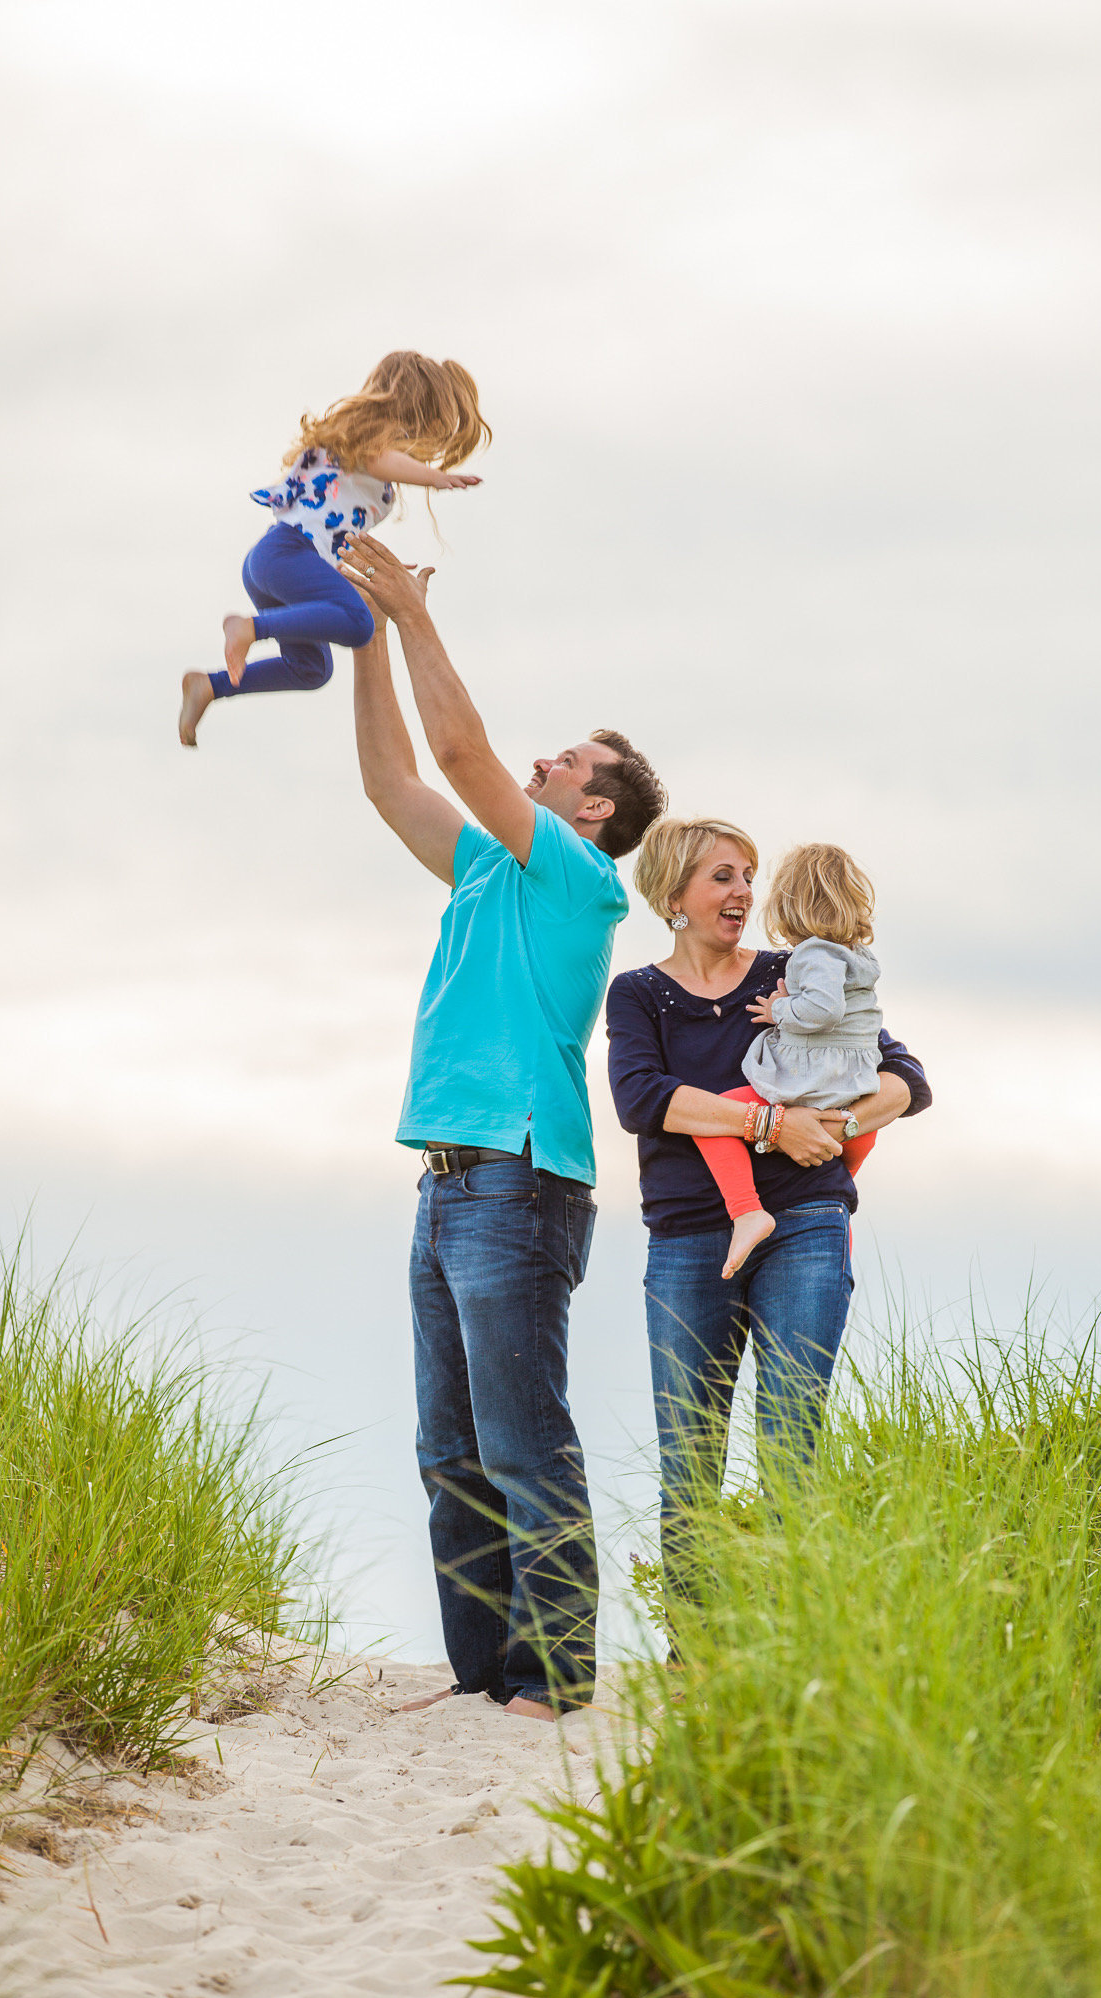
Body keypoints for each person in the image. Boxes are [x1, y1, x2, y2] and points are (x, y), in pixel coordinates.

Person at [341, 529, 666, 1720]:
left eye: (569, 758)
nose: (542, 759)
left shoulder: (582, 877)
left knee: (525, 1444)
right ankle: (485, 1674)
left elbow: (462, 748)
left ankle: (557, 1675)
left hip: (521, 1186)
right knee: (450, 1451)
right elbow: (392, 781)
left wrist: (414, 610)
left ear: (595, 805)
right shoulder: (488, 865)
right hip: (444, 1181)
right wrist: (364, 626)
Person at [605, 816, 930, 1611]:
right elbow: (640, 1099)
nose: (743, 891)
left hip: (804, 1223)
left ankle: (789, 1648)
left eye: (748, 875)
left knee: (791, 1441)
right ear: (672, 893)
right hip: (687, 1239)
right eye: (722, 875)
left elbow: (905, 1077)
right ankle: (695, 1660)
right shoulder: (638, 993)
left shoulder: (793, 974)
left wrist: (839, 1125)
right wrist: (765, 1123)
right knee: (690, 1457)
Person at [179, 350, 488, 747]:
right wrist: (434, 477)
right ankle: (249, 628)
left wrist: (376, 563)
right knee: (357, 623)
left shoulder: (351, 452)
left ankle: (209, 686)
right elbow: (379, 457)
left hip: (275, 562)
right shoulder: (364, 442)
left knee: (311, 669)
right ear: (409, 413)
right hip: (287, 554)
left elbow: (335, 522)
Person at [692, 840, 885, 1279]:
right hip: (853, 1094)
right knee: (836, 1188)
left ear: (790, 905)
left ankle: (746, 1212)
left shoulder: (816, 953)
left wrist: (779, 1010)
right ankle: (838, 1213)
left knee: (717, 1119)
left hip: (814, 1085)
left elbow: (823, 1010)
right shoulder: (859, 956)